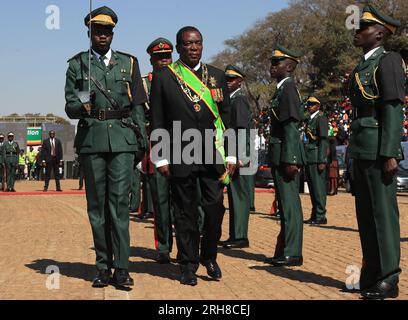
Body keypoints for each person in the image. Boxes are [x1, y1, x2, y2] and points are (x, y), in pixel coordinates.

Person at [65, 6, 147, 288]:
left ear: (113, 33)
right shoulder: (79, 65)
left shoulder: (130, 63)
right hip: (92, 140)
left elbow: (138, 105)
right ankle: (102, 266)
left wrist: (142, 141)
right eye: (98, 30)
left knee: (120, 207)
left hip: (123, 140)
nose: (103, 35)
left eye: (107, 30)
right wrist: (81, 105)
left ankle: (121, 268)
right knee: (97, 208)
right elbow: (70, 106)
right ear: (89, 32)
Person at [150, 26, 236, 286]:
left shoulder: (218, 76)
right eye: (188, 44)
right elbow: (157, 120)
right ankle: (187, 263)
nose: (194, 47)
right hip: (180, 152)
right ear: (178, 48)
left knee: (214, 209)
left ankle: (209, 255)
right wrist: (161, 157)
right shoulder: (164, 77)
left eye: (198, 42)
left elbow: (227, 118)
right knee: (185, 211)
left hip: (211, 153)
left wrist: (232, 154)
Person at [347, 5, 405, 300]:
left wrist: (391, 152)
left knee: (383, 216)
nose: (356, 32)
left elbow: (393, 108)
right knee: (366, 216)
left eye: (363, 28)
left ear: (380, 33)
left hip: (379, 148)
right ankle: (371, 272)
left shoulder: (389, 60)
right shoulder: (363, 64)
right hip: (361, 146)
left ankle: (389, 277)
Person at [264, 45, 305, 267]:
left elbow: (291, 126)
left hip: (285, 155)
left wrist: (291, 158)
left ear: (289, 67)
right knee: (284, 204)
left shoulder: (288, 89)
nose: (272, 67)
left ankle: (293, 251)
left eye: (276, 63)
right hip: (280, 154)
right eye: (272, 63)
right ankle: (285, 249)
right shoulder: (281, 89)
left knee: (290, 205)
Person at [141, 37, 175, 263]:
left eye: (167, 56)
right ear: (151, 59)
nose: (164, 61)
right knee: (161, 202)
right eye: (159, 57)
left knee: (185, 202)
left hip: (185, 146)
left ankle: (187, 245)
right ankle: (163, 246)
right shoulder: (143, 84)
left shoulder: (184, 80)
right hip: (157, 147)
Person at [222, 65, 253, 249]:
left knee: (239, 196)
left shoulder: (239, 100)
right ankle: (235, 234)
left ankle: (240, 236)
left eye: (231, 79)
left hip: (238, 153)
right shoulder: (231, 99)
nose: (227, 82)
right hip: (232, 152)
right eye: (226, 79)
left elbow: (241, 129)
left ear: (239, 81)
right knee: (234, 196)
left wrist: (239, 156)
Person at [303, 97, 329, 225]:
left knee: (318, 189)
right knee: (313, 189)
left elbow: (323, 140)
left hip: (316, 157)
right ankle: (314, 214)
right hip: (309, 157)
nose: (309, 106)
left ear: (318, 106)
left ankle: (320, 215)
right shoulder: (309, 119)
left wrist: (322, 160)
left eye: (312, 104)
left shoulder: (321, 118)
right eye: (308, 104)